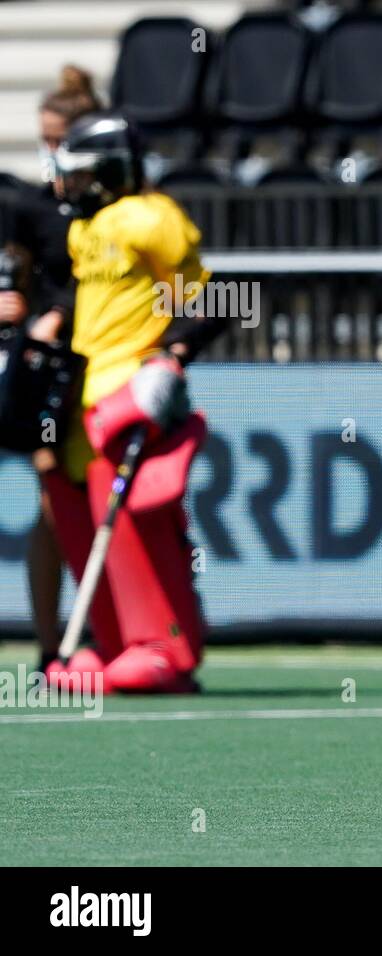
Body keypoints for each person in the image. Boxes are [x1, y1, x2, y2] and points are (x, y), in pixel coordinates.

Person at [42, 112, 228, 692]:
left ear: (106, 172)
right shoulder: (85, 230)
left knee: (132, 529)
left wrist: (171, 355)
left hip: (128, 400)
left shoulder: (153, 218)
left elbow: (214, 299)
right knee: (82, 526)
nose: (67, 185)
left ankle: (163, 647)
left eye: (77, 173)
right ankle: (115, 642)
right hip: (79, 404)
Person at [0, 66, 100, 671]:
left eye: (61, 139)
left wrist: (61, 311)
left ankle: (116, 634)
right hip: (52, 373)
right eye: (45, 139)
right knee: (52, 497)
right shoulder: (31, 206)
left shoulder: (116, 208)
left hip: (106, 363)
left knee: (95, 501)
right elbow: (18, 275)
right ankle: (51, 646)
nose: (52, 152)